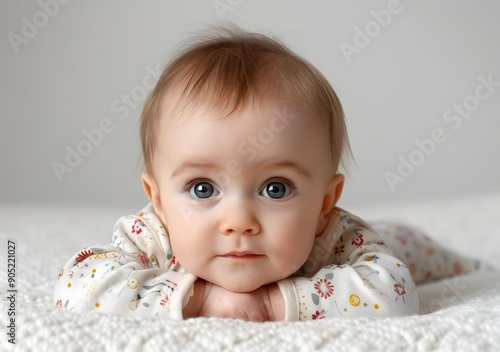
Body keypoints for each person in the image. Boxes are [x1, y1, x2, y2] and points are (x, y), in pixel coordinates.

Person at [53, 27, 479, 321]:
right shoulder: (152, 237)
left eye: (276, 188)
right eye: (203, 188)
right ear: (160, 199)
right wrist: (203, 299)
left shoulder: (337, 237)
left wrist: (276, 304)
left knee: (413, 249)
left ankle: (470, 260)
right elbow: (77, 286)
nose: (238, 221)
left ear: (324, 204)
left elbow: (395, 292)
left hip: (396, 240)